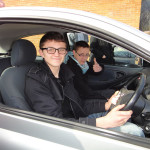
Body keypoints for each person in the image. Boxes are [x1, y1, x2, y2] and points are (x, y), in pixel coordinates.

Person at [25, 31, 144, 137]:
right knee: (134, 132)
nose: (57, 54)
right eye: (50, 49)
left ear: (65, 52)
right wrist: (101, 122)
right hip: (66, 131)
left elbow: (80, 103)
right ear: (41, 52)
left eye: (61, 50)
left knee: (123, 116)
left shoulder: (64, 72)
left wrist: (106, 105)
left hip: (78, 119)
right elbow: (54, 123)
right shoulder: (36, 81)